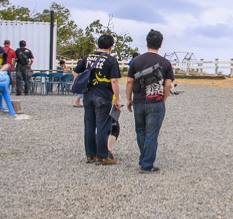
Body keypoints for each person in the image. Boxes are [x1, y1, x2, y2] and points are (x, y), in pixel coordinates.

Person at [126, 29, 174, 173]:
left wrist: (129, 99)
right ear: (160, 44)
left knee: (140, 131)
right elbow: (167, 84)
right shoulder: (165, 63)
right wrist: (163, 99)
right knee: (152, 133)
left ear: (146, 43)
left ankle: (144, 158)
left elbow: (129, 81)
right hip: (156, 101)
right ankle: (147, 164)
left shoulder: (136, 61)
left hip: (139, 101)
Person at [74, 34, 122, 165]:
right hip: (103, 96)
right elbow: (114, 81)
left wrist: (81, 84)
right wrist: (117, 99)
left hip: (88, 94)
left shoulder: (88, 57)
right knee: (102, 126)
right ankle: (103, 156)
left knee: (89, 125)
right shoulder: (111, 60)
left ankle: (90, 154)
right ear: (111, 46)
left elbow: (76, 71)